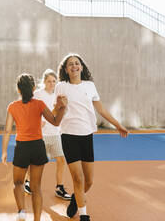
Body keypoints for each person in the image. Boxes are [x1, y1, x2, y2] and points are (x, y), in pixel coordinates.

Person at [55, 54, 129, 221]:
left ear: (81, 67)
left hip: (86, 136)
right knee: (78, 178)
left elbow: (101, 110)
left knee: (88, 182)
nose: (74, 66)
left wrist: (118, 125)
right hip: (68, 135)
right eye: (70, 64)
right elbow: (56, 109)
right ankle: (84, 216)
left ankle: (76, 198)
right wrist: (60, 106)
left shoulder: (90, 86)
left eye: (77, 63)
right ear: (66, 70)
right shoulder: (61, 86)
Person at [1, 73, 67, 221]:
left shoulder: (12, 106)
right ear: (34, 87)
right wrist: (62, 107)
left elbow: (7, 130)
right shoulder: (39, 104)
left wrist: (4, 151)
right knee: (36, 187)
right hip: (38, 146)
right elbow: (55, 121)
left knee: (18, 183)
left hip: (22, 148)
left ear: (18, 90)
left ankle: (22, 211)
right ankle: (37, 219)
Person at [24, 69, 71, 201]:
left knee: (61, 160)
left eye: (54, 81)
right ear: (44, 82)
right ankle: (28, 182)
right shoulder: (38, 94)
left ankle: (59, 188)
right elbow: (32, 110)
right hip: (41, 134)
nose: (51, 83)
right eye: (49, 81)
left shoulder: (58, 95)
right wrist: (40, 122)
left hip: (55, 134)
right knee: (37, 162)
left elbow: (62, 112)